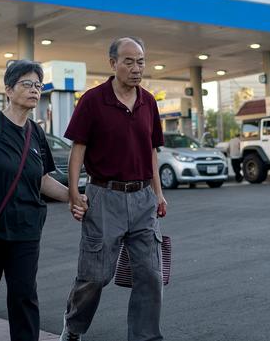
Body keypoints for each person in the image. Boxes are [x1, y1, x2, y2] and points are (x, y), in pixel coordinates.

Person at [0, 60, 86, 341]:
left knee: (24, 296)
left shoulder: (36, 133)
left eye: (38, 85)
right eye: (27, 84)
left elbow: (43, 180)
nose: (34, 90)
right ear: (8, 89)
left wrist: (74, 198)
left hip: (26, 230)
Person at [61, 37, 166, 341]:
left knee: (149, 274)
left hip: (143, 197)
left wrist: (158, 192)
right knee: (95, 276)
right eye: (129, 61)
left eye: (141, 61)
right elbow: (77, 150)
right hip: (104, 197)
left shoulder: (149, 101)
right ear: (113, 64)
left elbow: (152, 150)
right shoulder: (93, 101)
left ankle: (145, 337)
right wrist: (73, 193)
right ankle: (73, 326)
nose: (137, 68)